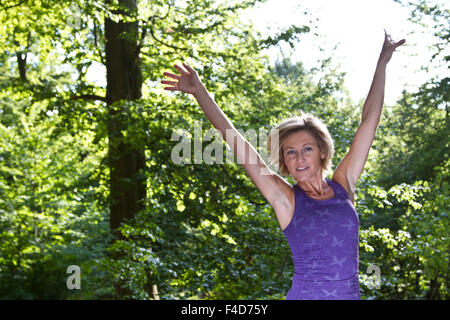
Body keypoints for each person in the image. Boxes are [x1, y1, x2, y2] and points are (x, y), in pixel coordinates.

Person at [161, 30, 405, 300]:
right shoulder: (286, 199)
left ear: (322, 152)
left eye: (307, 149)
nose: (299, 158)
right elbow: (239, 144)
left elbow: (369, 121)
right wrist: (199, 92)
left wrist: (383, 62)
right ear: (285, 161)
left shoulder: (343, 185)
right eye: (290, 152)